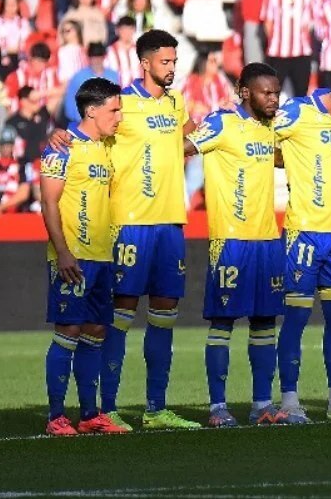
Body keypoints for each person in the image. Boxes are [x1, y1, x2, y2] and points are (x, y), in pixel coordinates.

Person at [90, 29, 198, 431]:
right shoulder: (122, 103)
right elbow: (91, 133)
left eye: (174, 61)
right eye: (164, 62)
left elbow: (182, 141)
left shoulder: (176, 103)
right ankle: (109, 407)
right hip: (130, 223)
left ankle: (156, 408)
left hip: (171, 221)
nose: (171, 68)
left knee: (165, 314)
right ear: (145, 63)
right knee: (121, 314)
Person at [186, 62, 285, 427]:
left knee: (263, 323)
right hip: (230, 240)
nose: (273, 98)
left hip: (267, 240)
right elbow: (182, 147)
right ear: (245, 92)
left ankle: (262, 406)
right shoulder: (221, 124)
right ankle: (217, 408)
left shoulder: (271, 128)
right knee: (223, 322)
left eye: (276, 91)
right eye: (266, 92)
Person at [39, 77, 127, 436]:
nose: (120, 117)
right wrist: (62, 251)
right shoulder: (61, 148)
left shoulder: (108, 146)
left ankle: (90, 414)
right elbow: (48, 202)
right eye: (114, 110)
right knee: (69, 330)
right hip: (73, 258)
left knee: (95, 331)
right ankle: (56, 416)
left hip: (103, 257)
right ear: (92, 111)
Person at [261, 0, 314, 100]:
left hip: (301, 52)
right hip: (278, 53)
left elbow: (311, 22)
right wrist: (276, 40)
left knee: (301, 96)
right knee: (272, 94)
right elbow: (268, 23)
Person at [63, 43, 121, 125]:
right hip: (83, 122)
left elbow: (118, 100)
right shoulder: (78, 77)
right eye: (93, 57)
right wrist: (81, 120)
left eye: (99, 57)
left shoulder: (113, 76)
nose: (96, 61)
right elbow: (70, 103)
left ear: (104, 57)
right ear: (89, 58)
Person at [105, 16, 141, 87]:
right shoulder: (110, 51)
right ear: (117, 30)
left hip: (138, 93)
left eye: (130, 29)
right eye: (123, 29)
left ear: (134, 30)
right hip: (117, 91)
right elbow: (105, 72)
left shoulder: (140, 50)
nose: (126, 33)